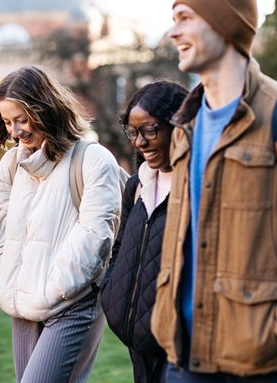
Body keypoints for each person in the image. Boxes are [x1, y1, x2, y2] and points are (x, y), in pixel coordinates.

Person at [150, 0, 277, 381]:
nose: (173, 33)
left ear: (224, 23)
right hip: (186, 361)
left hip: (274, 364)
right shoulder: (185, 129)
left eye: (185, 19)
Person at [0, 65, 123, 383]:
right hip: (23, 304)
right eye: (7, 122)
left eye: (21, 119)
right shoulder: (11, 165)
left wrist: (56, 289)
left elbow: (97, 234)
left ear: (45, 109)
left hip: (72, 301)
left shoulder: (93, 158)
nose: (15, 130)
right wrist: (0, 276)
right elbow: (2, 230)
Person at [101, 81, 188, 383]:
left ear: (179, 127)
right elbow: (120, 246)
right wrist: (111, 292)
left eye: (150, 130)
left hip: (180, 345)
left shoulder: (199, 188)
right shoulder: (136, 185)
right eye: (133, 132)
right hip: (136, 340)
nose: (140, 142)